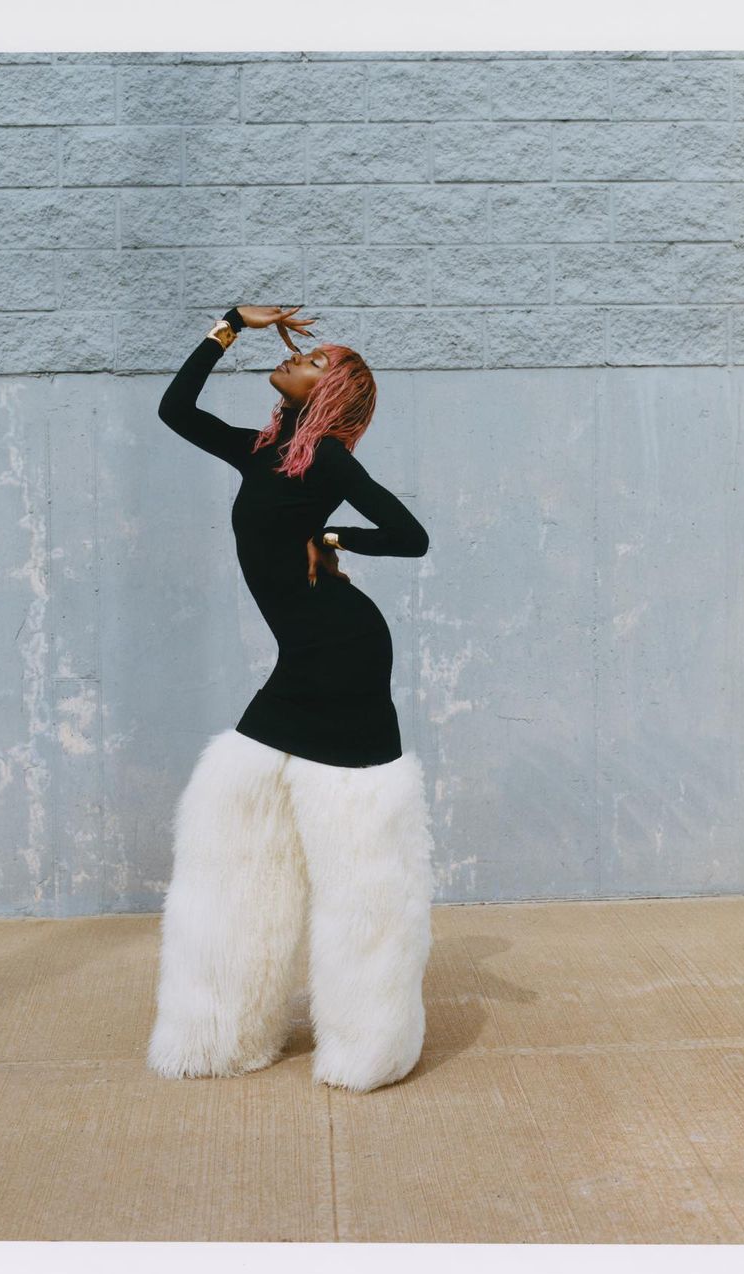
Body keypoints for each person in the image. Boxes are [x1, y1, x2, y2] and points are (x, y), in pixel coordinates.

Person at [146, 305, 436, 1093]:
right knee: (234, 820)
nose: (295, 359)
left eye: (313, 360)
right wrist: (230, 324)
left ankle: (371, 1041)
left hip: (343, 653)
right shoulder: (260, 451)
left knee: (359, 846)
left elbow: (410, 536)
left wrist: (333, 538)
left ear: (330, 389)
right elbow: (175, 409)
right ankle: (221, 1031)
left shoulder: (329, 461)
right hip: (303, 657)